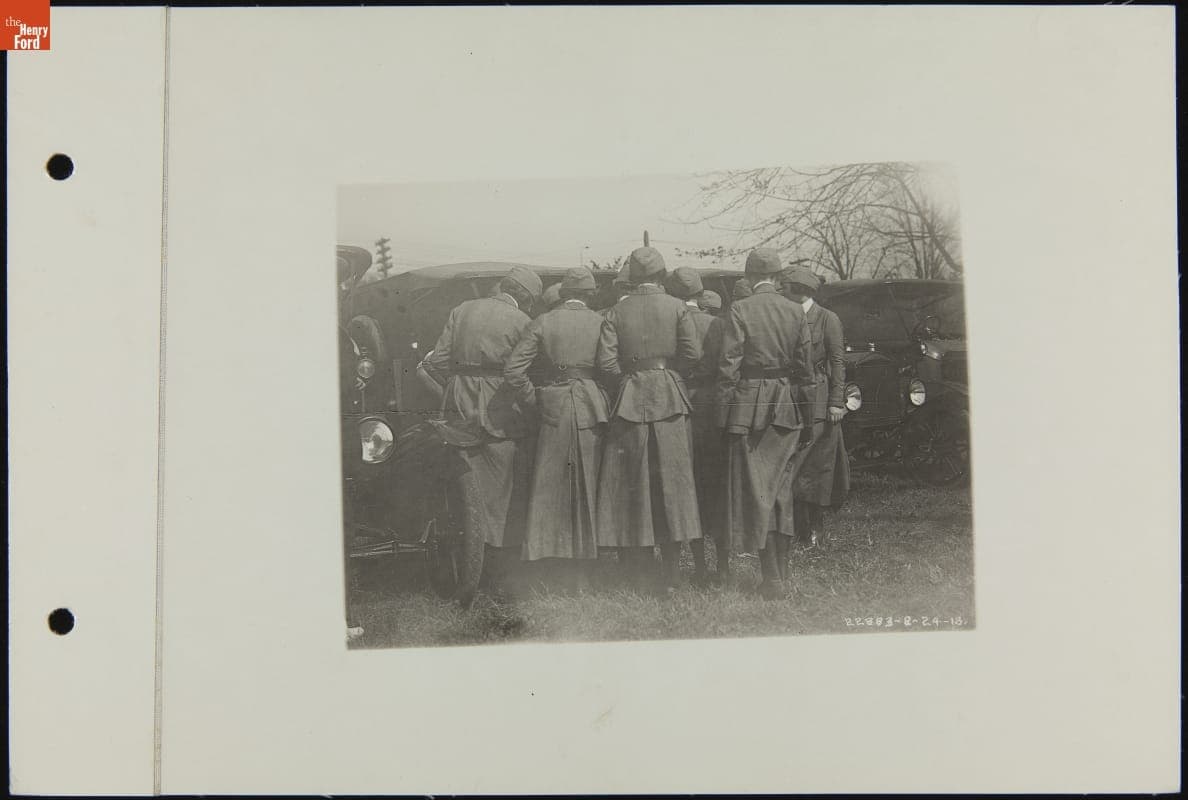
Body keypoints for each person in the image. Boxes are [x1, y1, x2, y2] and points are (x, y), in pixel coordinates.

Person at [421, 266, 543, 607]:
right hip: (498, 407)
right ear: (527, 300)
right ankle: (496, 577)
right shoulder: (522, 323)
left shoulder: (462, 310)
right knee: (502, 491)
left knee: (461, 485)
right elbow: (524, 370)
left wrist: (460, 382)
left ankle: (464, 564)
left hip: (458, 401)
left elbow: (438, 360)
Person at [596, 247, 703, 595]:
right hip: (670, 398)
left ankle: (640, 573)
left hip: (630, 399)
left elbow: (607, 363)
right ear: (661, 275)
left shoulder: (616, 311)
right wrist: (671, 377)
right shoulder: (676, 306)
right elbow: (692, 354)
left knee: (633, 484)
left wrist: (627, 381)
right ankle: (672, 574)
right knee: (674, 484)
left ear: (634, 276)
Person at [503, 267, 609, 593]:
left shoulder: (543, 321)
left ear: (562, 293)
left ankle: (551, 570)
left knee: (550, 490)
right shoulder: (601, 321)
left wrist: (535, 399)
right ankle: (585, 574)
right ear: (590, 294)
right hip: (590, 407)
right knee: (589, 486)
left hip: (553, 407)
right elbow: (609, 367)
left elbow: (513, 371)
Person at [717, 248, 813, 599]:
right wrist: (808, 416)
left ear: (749, 276)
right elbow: (806, 370)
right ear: (778, 277)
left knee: (758, 494)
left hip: (750, 409)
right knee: (782, 492)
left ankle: (771, 577)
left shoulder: (740, 309)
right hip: (787, 407)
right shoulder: (794, 311)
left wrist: (725, 414)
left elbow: (729, 366)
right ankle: (781, 576)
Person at [664, 271, 730, 586]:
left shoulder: (670, 320)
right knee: (714, 486)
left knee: (683, 485)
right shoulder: (716, 323)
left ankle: (696, 565)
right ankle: (724, 565)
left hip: (678, 407)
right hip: (711, 410)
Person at [782, 267, 850, 547]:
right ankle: (797, 528)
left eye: (786, 288)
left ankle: (814, 529)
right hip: (792, 394)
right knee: (794, 461)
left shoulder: (826, 318)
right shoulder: (787, 315)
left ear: (799, 290)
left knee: (818, 465)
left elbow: (837, 361)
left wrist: (836, 401)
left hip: (820, 397)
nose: (783, 292)